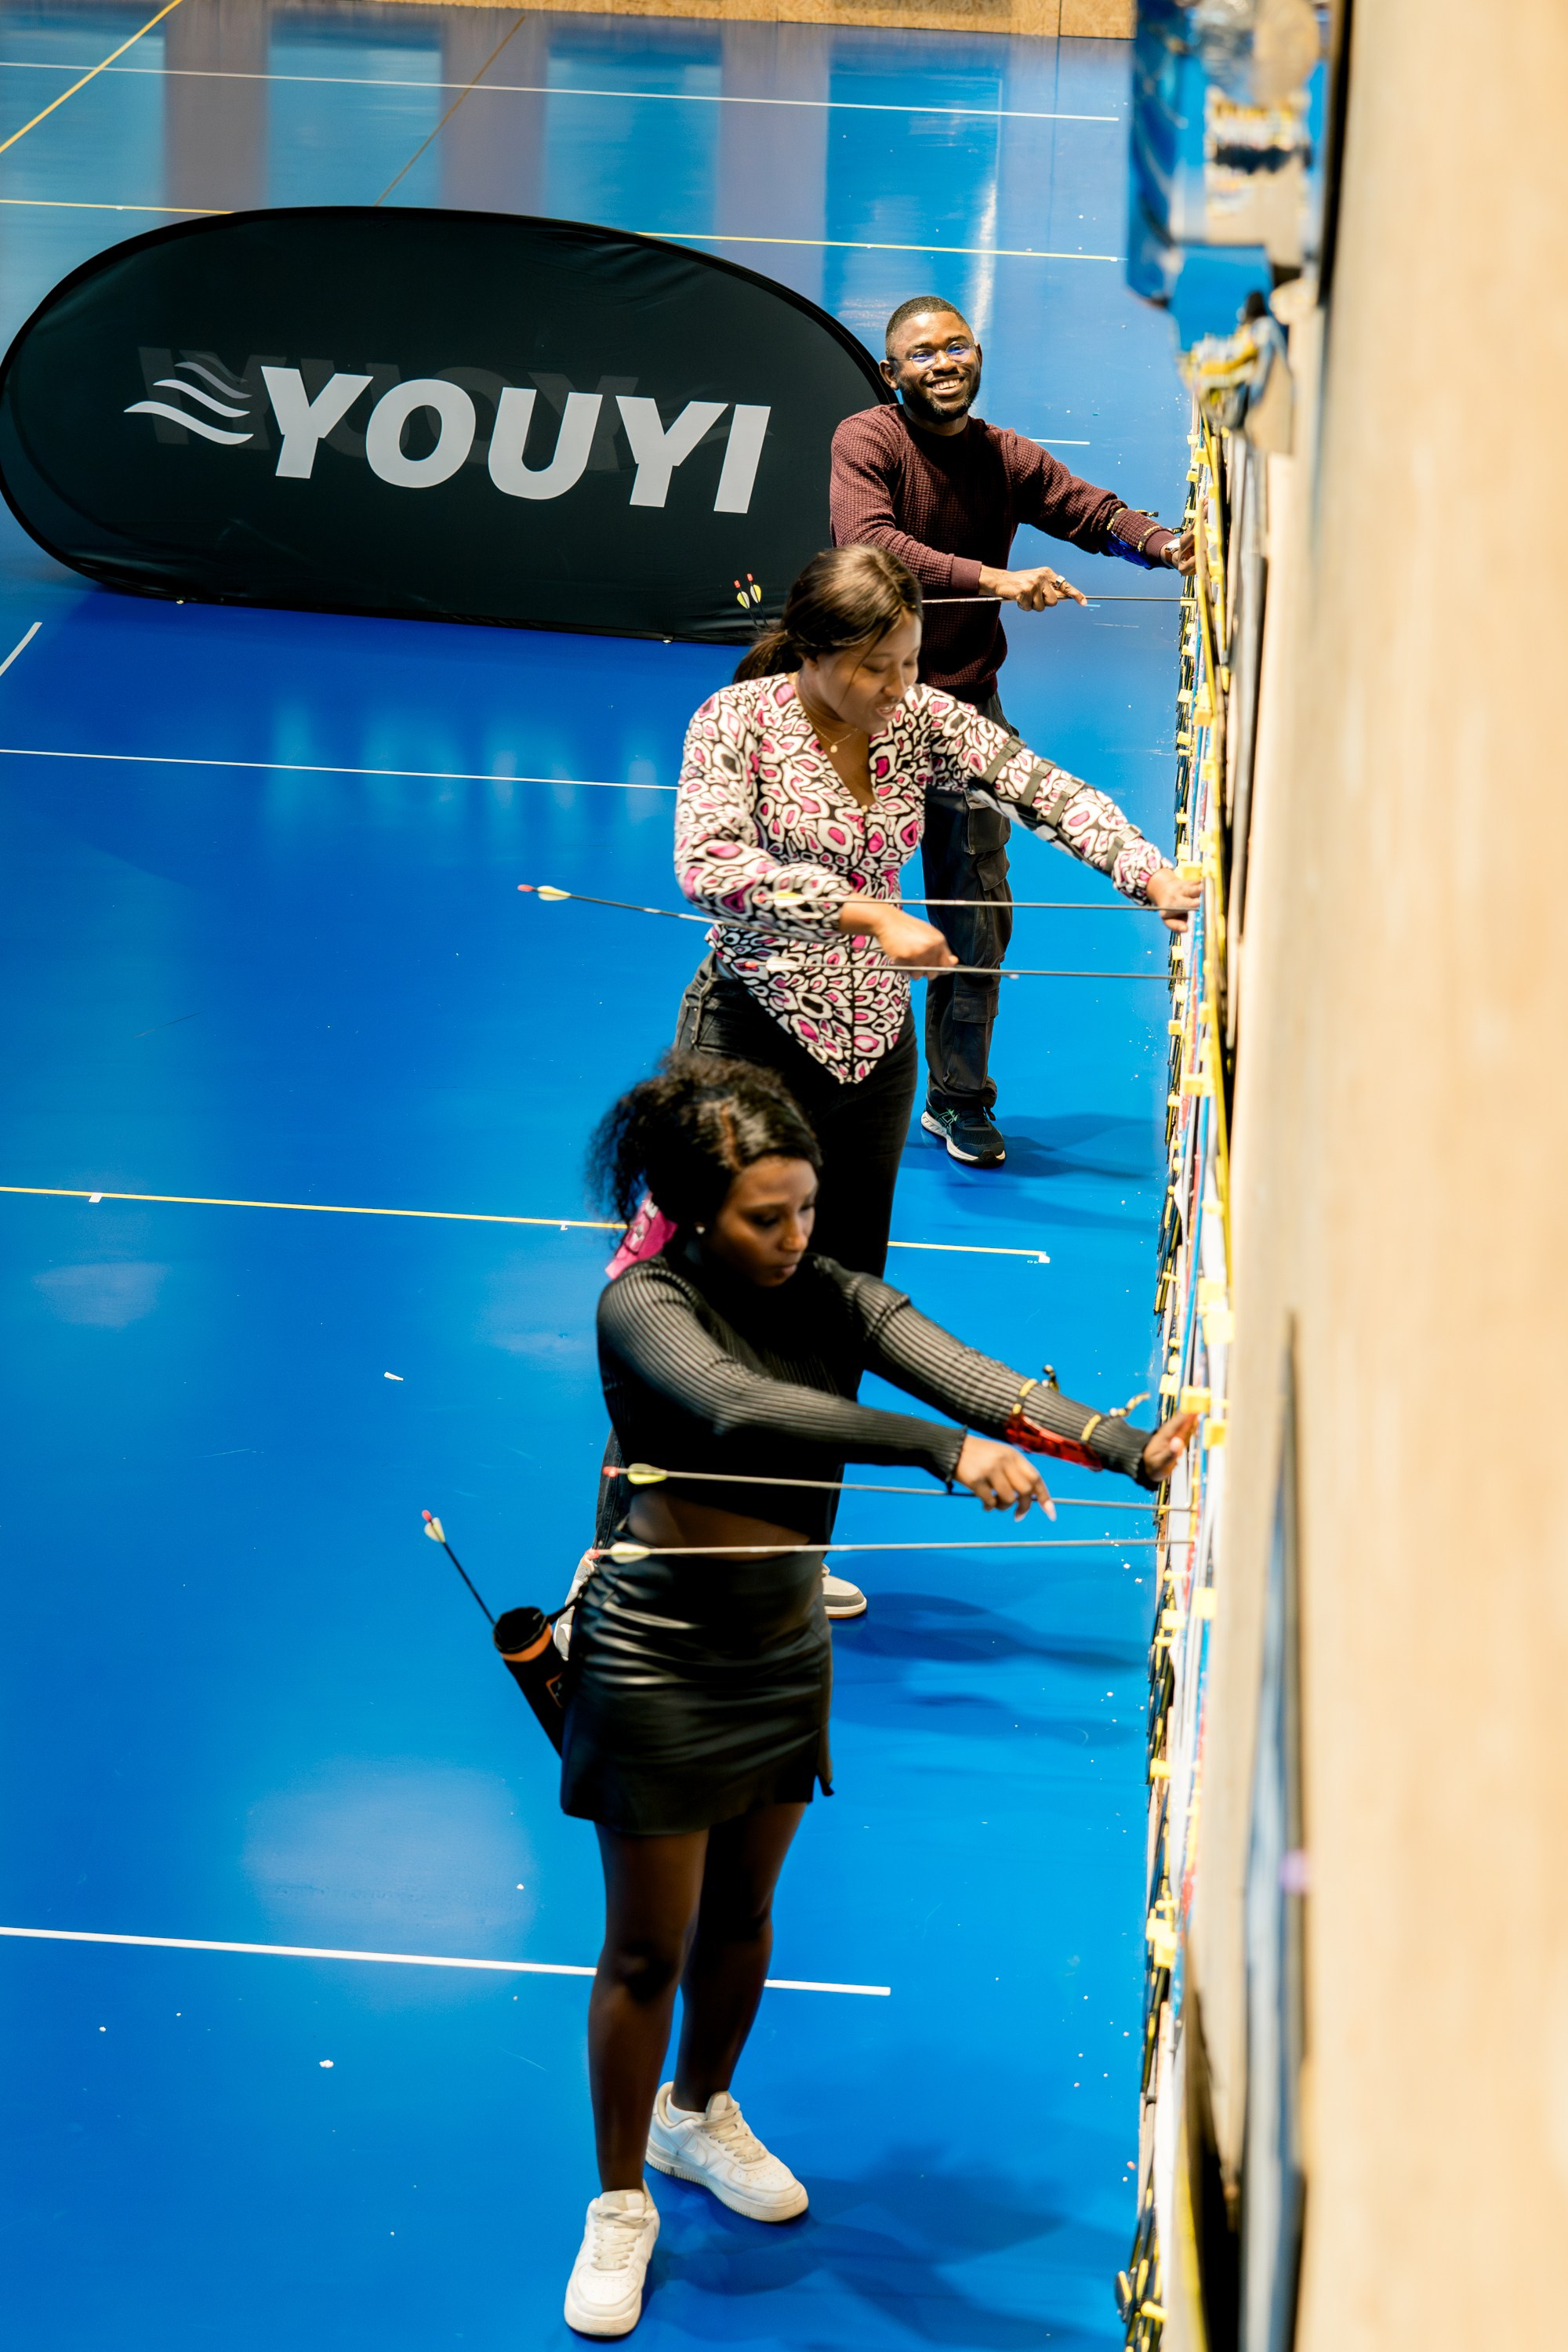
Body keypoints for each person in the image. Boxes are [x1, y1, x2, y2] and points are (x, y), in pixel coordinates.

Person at [558, 1052, 1196, 2336]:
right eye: (767, 1217)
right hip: (658, 1653)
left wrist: (1122, 1446)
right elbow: (739, 1412)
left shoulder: (830, 1288)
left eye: (808, 1205)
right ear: (693, 1215)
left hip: (781, 1647)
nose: (799, 1235)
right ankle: (619, 2200)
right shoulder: (644, 1308)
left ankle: (697, 2117)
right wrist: (944, 1452)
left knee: (744, 1913)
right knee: (647, 1947)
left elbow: (967, 1374)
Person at [673, 539, 1197, 1280]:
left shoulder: (920, 718)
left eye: (911, 662)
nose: (898, 687)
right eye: (874, 668)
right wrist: (869, 915)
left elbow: (1042, 789)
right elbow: (710, 864)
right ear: (812, 653)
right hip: (753, 1036)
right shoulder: (735, 721)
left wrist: (1149, 874)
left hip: (878, 1053)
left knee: (850, 1283)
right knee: (728, 1279)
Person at [830, 295, 1197, 1167]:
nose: (943, 363)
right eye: (923, 353)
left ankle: (956, 1098)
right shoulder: (867, 441)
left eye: (956, 346)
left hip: (963, 711)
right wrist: (994, 579)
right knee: (838, 911)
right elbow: (870, 544)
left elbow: (1090, 512)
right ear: (891, 372)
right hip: (859, 722)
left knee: (975, 918)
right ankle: (828, 1085)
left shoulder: (1003, 456)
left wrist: (1168, 547)